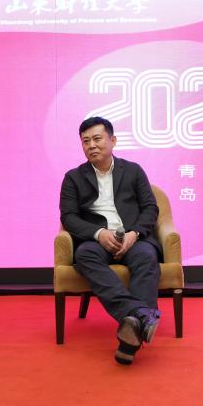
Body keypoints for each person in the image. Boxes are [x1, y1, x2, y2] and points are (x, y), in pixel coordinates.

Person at [60, 116, 163, 365]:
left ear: (113, 140)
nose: (91, 145)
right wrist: (99, 233)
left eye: (97, 139)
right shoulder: (73, 177)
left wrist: (134, 234)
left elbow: (150, 208)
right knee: (84, 255)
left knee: (146, 256)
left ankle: (130, 339)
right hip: (97, 241)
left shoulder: (133, 170)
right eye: (85, 141)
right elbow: (68, 217)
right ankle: (140, 315)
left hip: (132, 238)